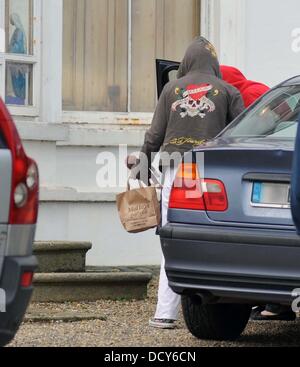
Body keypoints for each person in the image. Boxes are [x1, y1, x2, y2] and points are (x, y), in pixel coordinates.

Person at [128, 37, 245, 329]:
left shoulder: (170, 89)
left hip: (172, 171)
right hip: (210, 172)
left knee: (172, 238)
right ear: (214, 63)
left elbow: (154, 136)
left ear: (186, 62)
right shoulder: (229, 91)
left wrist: (141, 168)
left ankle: (164, 313)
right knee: (208, 236)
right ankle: (212, 303)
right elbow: (240, 138)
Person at [222, 66, 296, 321]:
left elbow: (260, 133)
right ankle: (275, 303)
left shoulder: (249, 96)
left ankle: (276, 305)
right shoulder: (261, 91)